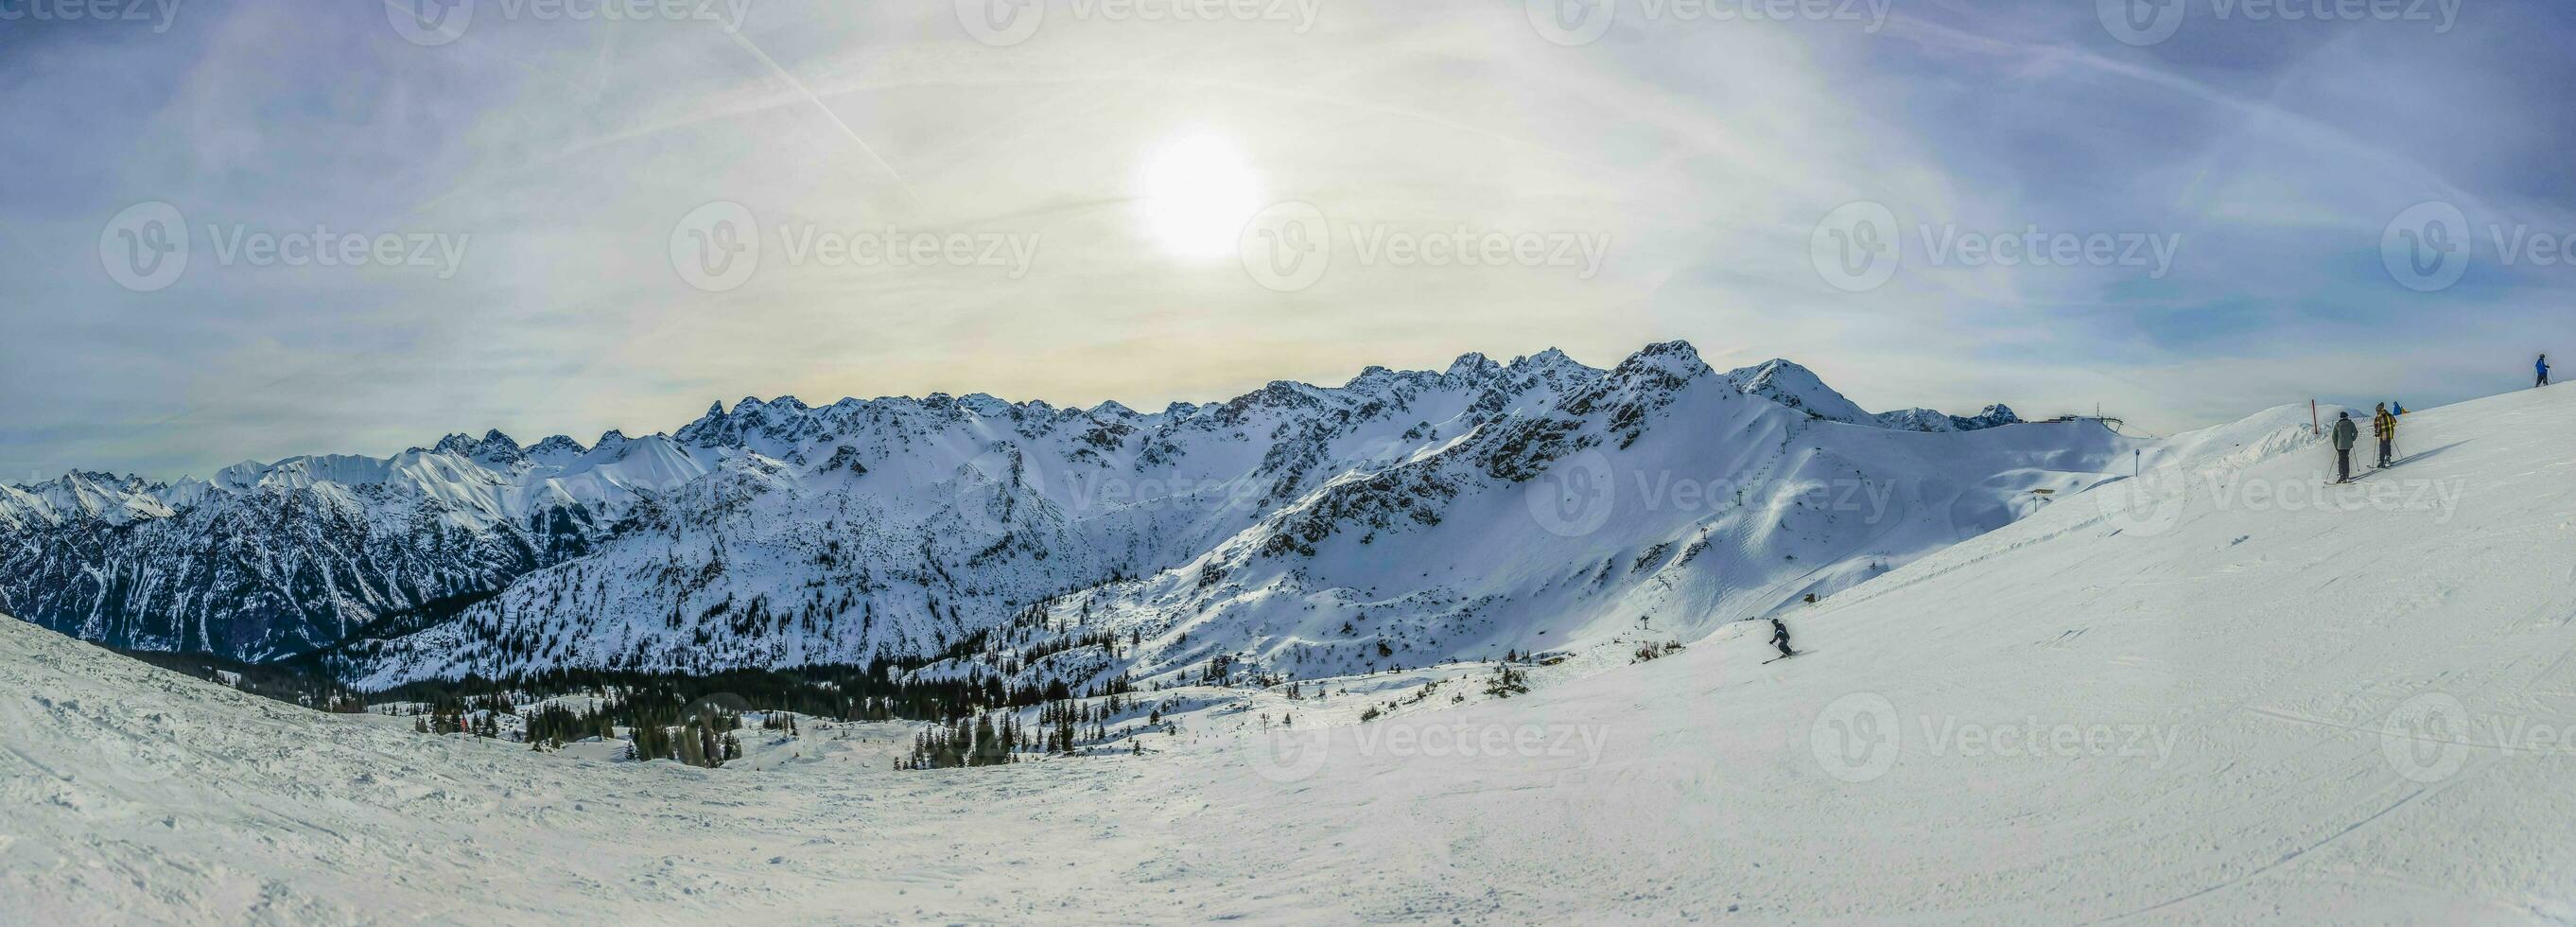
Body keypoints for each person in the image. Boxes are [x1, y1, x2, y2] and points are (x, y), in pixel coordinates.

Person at [2331, 411, 2358, 482]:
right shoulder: (2351, 423)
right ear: (2346, 416)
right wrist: (2353, 439)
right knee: (2346, 459)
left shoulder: (2337, 425)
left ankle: (2342, 476)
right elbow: (2355, 432)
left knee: (2341, 461)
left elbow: (2334, 436)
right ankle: (2346, 475)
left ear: (2340, 417)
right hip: (2348, 445)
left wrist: (2336, 446)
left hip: (2340, 446)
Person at [2372, 403, 2397, 468]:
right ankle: (2388, 458)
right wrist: (2390, 427)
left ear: (2378, 410)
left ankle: (2382, 462)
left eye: (2376, 410)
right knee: (2387, 445)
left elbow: (2377, 427)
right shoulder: (2390, 415)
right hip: (2390, 434)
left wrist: (2377, 433)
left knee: (2382, 448)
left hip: (2383, 435)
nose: (2376, 412)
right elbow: (2394, 422)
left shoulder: (2378, 417)